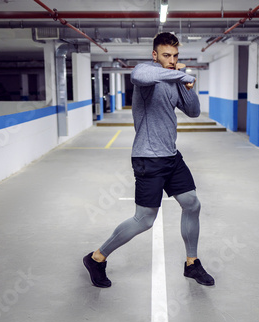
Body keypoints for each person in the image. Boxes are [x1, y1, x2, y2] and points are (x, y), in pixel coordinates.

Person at [83, 32, 214, 288]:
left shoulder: (175, 79)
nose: (172, 61)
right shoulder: (147, 74)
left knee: (192, 204)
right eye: (166, 55)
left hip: (171, 156)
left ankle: (191, 264)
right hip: (148, 157)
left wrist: (188, 86)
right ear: (155, 55)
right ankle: (96, 258)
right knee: (144, 219)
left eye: (175, 56)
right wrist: (181, 74)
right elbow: (139, 75)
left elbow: (194, 112)